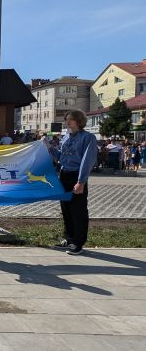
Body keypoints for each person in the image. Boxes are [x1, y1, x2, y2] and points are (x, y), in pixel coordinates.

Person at [44, 109, 97, 255]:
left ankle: (78, 243)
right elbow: (61, 157)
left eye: (70, 119)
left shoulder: (88, 138)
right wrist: (49, 147)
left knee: (78, 210)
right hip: (64, 174)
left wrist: (81, 181)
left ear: (79, 121)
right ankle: (69, 239)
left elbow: (87, 160)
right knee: (66, 209)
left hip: (76, 176)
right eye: (66, 119)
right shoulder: (66, 137)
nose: (67, 122)